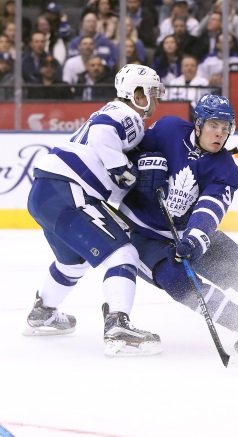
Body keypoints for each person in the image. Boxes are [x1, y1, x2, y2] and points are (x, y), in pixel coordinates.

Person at [118, 94, 238, 357]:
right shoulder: (169, 128)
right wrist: (146, 166)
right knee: (177, 281)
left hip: (188, 232)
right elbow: (129, 152)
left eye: (225, 128)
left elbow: (210, 208)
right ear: (198, 124)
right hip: (141, 231)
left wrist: (195, 240)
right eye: (213, 126)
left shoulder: (226, 170)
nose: (220, 134)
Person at [24, 64, 165, 357]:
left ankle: (44, 312)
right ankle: (118, 327)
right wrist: (120, 168)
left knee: (73, 263)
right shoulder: (128, 115)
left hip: (47, 192)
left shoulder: (115, 112)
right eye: (151, 92)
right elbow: (104, 131)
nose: (155, 99)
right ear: (136, 93)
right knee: (124, 254)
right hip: (68, 188)